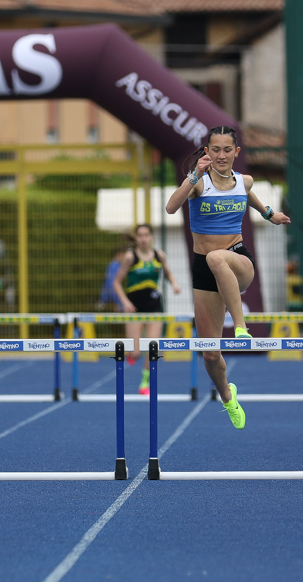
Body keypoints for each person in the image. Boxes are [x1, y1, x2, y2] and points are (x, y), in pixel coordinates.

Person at [166, 125, 290, 430]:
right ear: (207, 152)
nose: (221, 155)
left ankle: (241, 327)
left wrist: (269, 214)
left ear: (236, 152)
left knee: (217, 256)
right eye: (215, 149)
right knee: (210, 354)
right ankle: (227, 396)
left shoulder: (244, 181)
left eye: (227, 150)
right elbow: (171, 208)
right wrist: (193, 175)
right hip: (204, 273)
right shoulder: (199, 183)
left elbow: (248, 195)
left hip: (237, 260)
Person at [112, 224, 181, 395]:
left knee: (152, 348)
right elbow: (116, 282)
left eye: (146, 235)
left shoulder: (159, 255)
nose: (143, 239)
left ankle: (144, 383)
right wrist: (125, 302)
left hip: (154, 306)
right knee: (135, 353)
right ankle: (132, 356)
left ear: (151, 237)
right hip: (134, 307)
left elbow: (168, 273)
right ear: (136, 238)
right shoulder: (130, 257)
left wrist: (174, 284)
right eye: (140, 235)